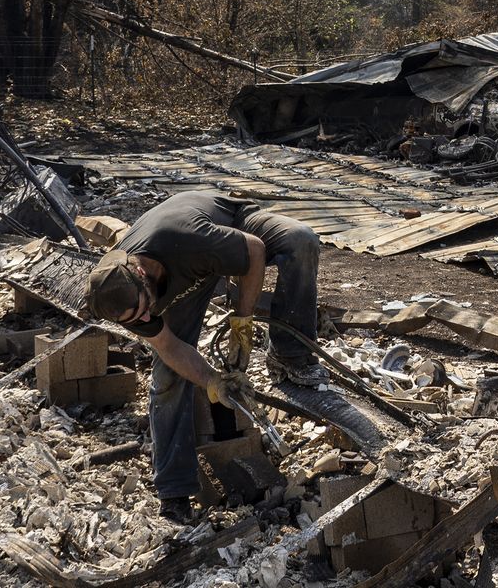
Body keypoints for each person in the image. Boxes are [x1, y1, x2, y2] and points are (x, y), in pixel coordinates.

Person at [84, 190, 324, 522]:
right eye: (134, 320)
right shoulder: (120, 294)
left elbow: (253, 250)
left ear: (141, 273)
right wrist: (213, 381)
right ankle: (174, 490)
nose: (143, 321)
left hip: (228, 227)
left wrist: (242, 322)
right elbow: (169, 347)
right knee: (167, 378)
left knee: (301, 239)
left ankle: (291, 357)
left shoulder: (186, 239)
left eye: (142, 312)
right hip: (185, 280)